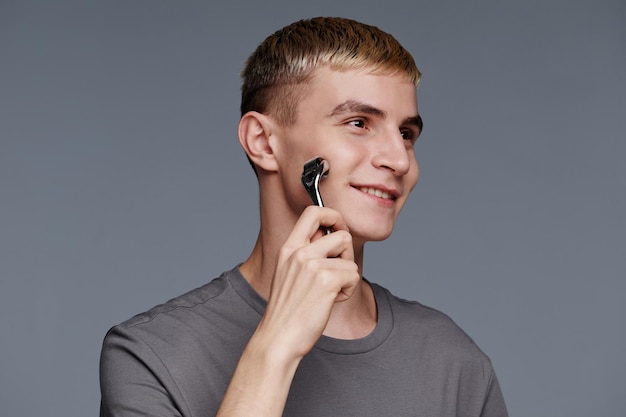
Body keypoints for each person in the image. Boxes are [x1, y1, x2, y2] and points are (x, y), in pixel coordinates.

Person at [99, 16, 508, 417]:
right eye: (358, 123)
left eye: (406, 134)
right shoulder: (151, 355)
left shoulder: (455, 364)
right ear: (263, 142)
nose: (399, 160)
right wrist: (275, 349)